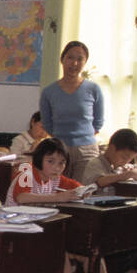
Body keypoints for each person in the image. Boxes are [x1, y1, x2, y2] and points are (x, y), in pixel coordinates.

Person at [6, 137, 133, 273]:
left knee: (90, 252)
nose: (57, 167)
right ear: (39, 159)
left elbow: (77, 186)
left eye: (62, 163)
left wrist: (84, 191)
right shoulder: (26, 170)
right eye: (51, 161)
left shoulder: (56, 178)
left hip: (44, 235)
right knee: (61, 253)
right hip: (18, 236)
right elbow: (22, 197)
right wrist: (59, 196)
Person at [39, 40, 105, 182]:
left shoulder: (93, 89)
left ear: (85, 62)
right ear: (62, 59)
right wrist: (62, 139)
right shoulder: (49, 92)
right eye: (70, 57)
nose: (74, 63)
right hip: (59, 150)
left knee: (83, 190)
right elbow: (47, 123)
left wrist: (83, 137)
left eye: (80, 59)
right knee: (58, 189)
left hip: (87, 150)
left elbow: (98, 121)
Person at [79, 128, 137, 196]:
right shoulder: (95, 163)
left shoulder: (118, 167)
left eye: (130, 160)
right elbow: (100, 181)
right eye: (124, 157)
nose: (125, 162)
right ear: (112, 148)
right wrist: (127, 175)